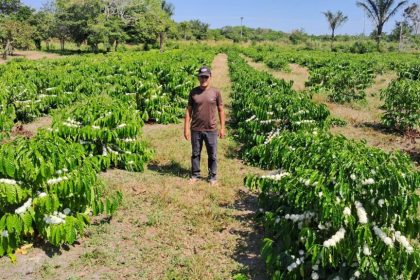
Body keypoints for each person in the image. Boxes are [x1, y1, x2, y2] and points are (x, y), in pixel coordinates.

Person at [184, 66, 225, 185]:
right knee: (195, 153)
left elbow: (221, 110)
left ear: (210, 77)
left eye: (206, 77)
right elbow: (188, 111)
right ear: (198, 78)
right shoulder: (193, 92)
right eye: (201, 77)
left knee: (212, 154)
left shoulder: (216, 92)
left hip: (211, 129)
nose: (204, 79)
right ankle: (195, 174)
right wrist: (186, 128)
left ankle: (212, 177)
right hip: (196, 129)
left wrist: (222, 127)